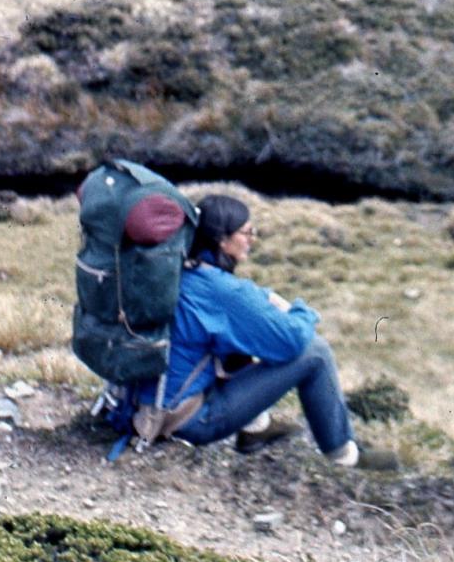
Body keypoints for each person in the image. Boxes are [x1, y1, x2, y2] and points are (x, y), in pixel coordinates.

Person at [138, 194, 394, 468]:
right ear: (222, 240)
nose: (252, 239)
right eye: (247, 232)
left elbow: (233, 309)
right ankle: (345, 457)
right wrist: (300, 312)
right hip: (187, 421)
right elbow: (293, 340)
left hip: (141, 407)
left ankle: (255, 429)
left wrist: (261, 302)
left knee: (236, 336)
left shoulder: (180, 272)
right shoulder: (222, 291)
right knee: (315, 352)